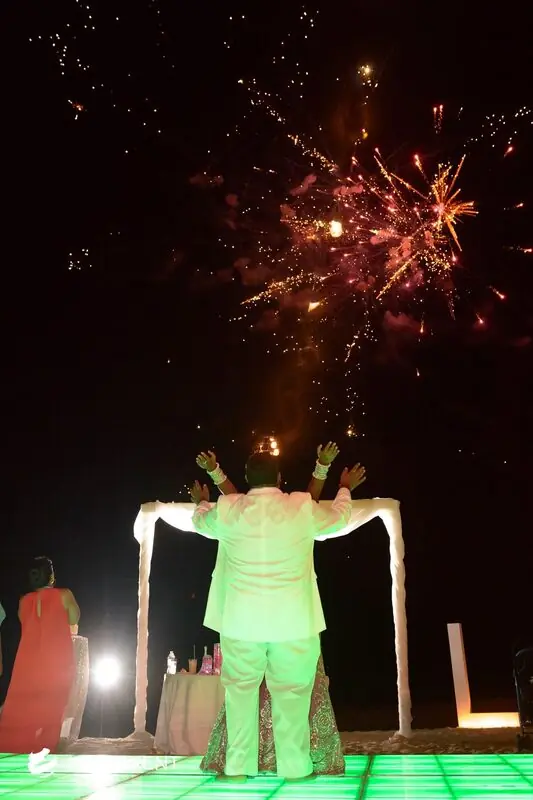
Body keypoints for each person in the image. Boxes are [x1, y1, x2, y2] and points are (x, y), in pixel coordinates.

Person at [190, 445, 365, 782]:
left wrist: (202, 501)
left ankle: (237, 768)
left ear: (246, 478)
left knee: (240, 693)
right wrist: (344, 488)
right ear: (280, 478)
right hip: (293, 621)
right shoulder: (299, 506)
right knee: (293, 695)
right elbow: (340, 518)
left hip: (242, 621)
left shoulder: (229, 509)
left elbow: (199, 522)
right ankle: (295, 768)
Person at [0, 557, 80, 754]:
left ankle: (18, 750)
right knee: (53, 708)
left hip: (28, 662)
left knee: (26, 707)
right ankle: (45, 750)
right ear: (51, 576)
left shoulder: (23, 601)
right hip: (55, 662)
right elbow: (74, 618)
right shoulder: (64, 594)